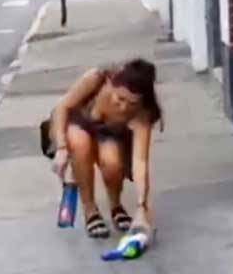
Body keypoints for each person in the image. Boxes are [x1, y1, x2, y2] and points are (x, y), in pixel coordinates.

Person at [41, 58, 162, 239]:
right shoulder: (97, 78)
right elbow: (62, 107)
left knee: (112, 163)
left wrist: (141, 207)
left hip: (109, 133)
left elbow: (140, 161)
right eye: (120, 98)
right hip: (78, 121)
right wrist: (61, 147)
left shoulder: (143, 114)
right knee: (80, 145)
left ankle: (116, 206)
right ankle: (90, 210)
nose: (123, 107)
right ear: (112, 83)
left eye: (132, 103)